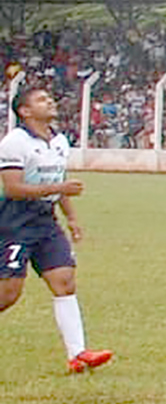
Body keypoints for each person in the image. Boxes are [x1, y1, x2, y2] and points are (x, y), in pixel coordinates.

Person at [0, 87, 113, 374]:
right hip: (15, 220)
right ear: (24, 111)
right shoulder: (15, 142)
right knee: (8, 293)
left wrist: (71, 218)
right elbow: (13, 189)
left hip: (45, 220)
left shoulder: (59, 140)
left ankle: (78, 354)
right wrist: (58, 188)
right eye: (40, 99)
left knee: (64, 281)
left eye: (50, 97)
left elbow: (59, 181)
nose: (49, 100)